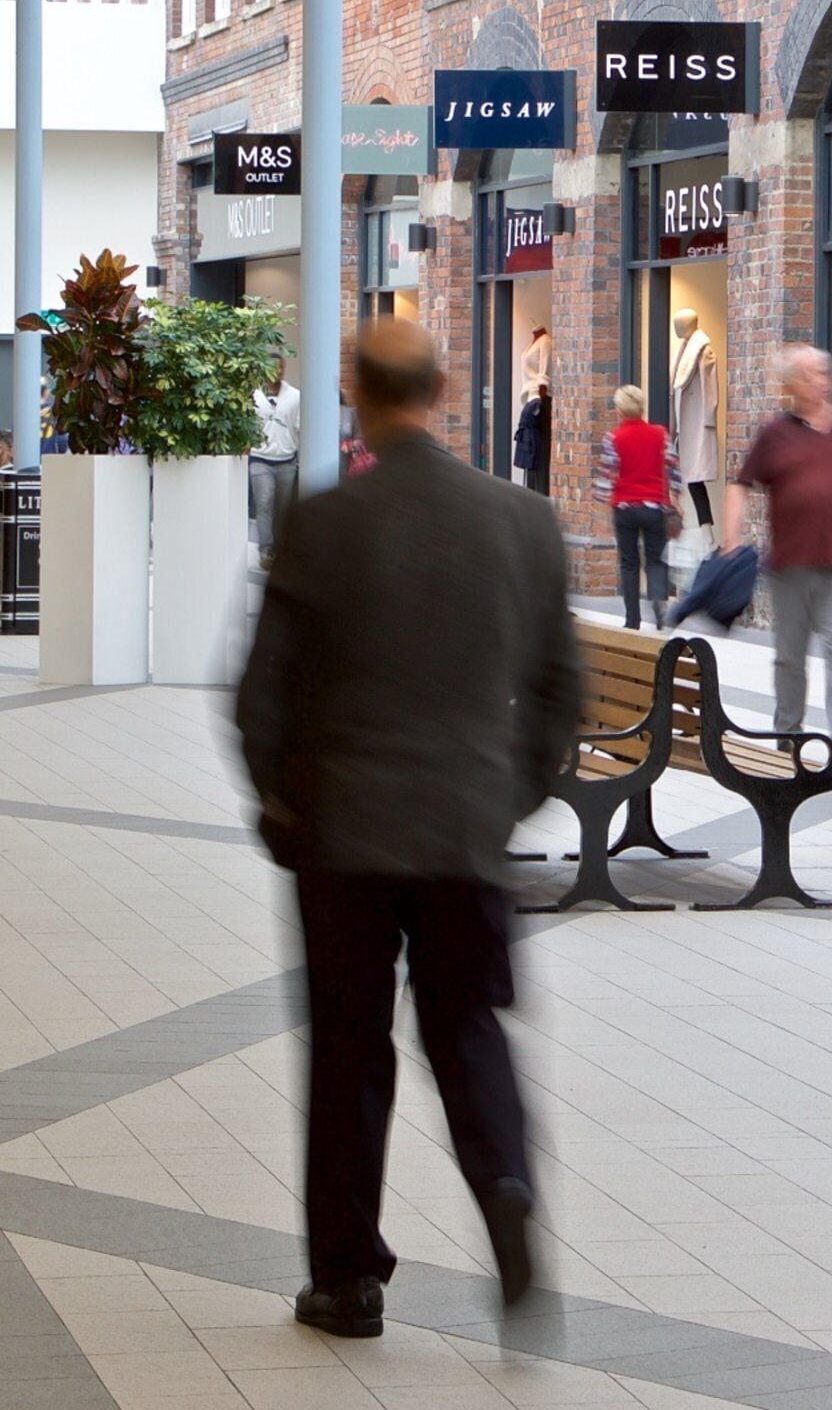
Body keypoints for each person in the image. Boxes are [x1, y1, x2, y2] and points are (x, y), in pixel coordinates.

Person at [233, 318, 580, 1339]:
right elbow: (558, 687)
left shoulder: (325, 522)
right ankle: (507, 1185)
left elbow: (262, 689)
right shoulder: (522, 522)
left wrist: (278, 802)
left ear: (359, 393)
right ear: (441, 386)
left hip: (344, 834)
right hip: (466, 828)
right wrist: (511, 791)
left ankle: (345, 1281)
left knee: (350, 1050)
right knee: (468, 1026)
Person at [722, 345, 832, 771]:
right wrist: (730, 537)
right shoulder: (774, 434)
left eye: (823, 372)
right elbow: (740, 484)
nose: (821, 380)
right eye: (809, 375)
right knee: (790, 655)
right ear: (790, 385)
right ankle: (788, 734)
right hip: (790, 566)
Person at [599, 385, 673, 628]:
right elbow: (674, 468)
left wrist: (601, 496)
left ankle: (632, 619)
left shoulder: (613, 438)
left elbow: (606, 474)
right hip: (654, 506)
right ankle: (658, 605)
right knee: (656, 560)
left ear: (620, 411)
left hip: (625, 507)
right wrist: (676, 500)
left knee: (629, 563)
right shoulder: (660, 434)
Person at [252, 360, 303, 553]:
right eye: (273, 366)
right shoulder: (254, 396)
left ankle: (280, 547)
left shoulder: (295, 396)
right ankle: (266, 548)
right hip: (259, 459)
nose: (278, 371)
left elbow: (299, 427)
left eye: (281, 367)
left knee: (282, 507)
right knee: (264, 502)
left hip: (286, 459)